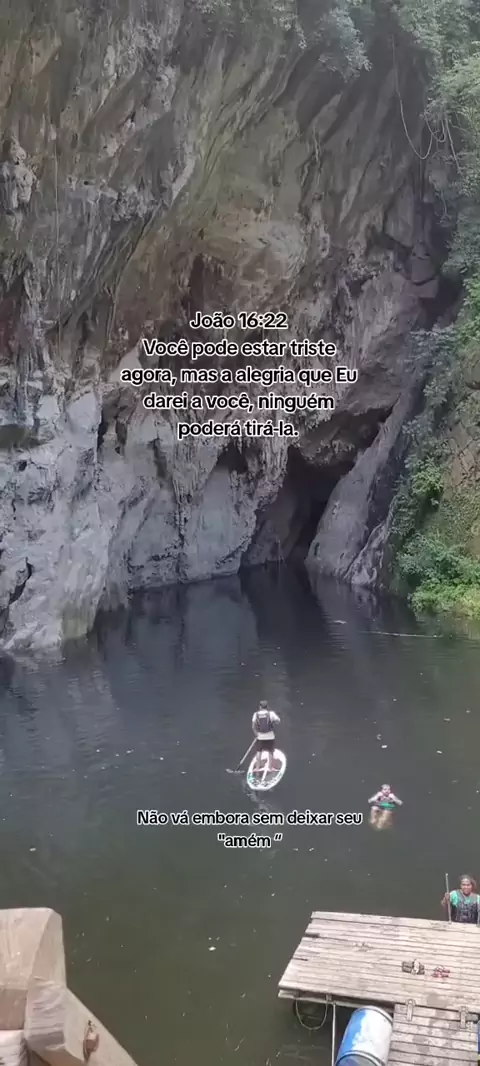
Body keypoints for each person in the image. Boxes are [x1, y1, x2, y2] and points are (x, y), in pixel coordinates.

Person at [252, 701, 280, 774]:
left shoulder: (256, 714)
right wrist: (274, 721)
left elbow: (253, 726)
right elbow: (278, 721)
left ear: (260, 707)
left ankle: (257, 768)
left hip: (260, 736)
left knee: (259, 751)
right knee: (270, 751)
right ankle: (270, 768)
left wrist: (256, 734)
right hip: (270, 736)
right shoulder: (271, 713)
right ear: (267, 707)